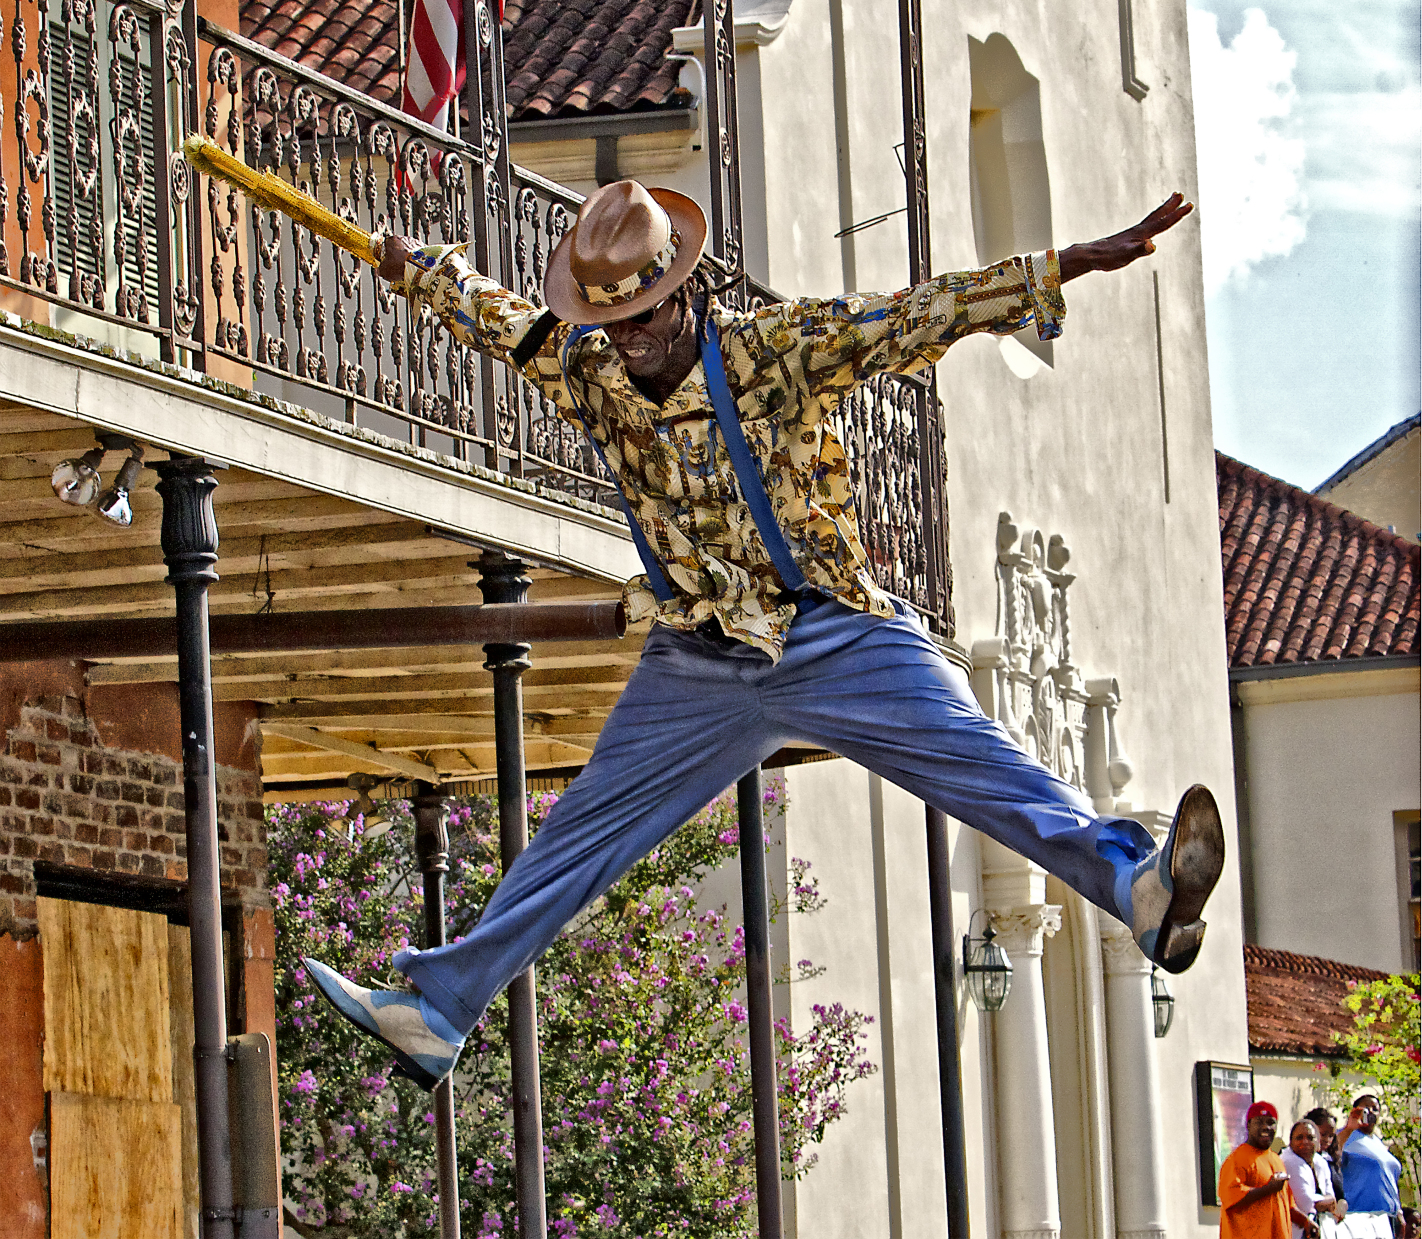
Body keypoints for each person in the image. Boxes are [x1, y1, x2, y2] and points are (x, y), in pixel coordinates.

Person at [303, 179, 1227, 1090]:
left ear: (686, 292)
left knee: (985, 768)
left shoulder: (770, 351)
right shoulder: (585, 367)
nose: (633, 346)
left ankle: (1134, 893)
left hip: (832, 635)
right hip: (698, 662)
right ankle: (439, 1011)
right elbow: (497, 319)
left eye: (649, 321)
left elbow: (907, 317)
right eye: (615, 327)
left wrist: (1051, 270)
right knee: (579, 834)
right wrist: (417, 267)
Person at [1221, 1103, 1301, 1239]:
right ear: (1248, 1125)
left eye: (1271, 1123)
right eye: (1259, 1122)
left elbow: (1288, 1203)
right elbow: (1231, 1197)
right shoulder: (1237, 1159)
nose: (1266, 1127)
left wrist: (1305, 1222)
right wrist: (1268, 1189)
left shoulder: (1276, 1159)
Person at [1336, 1095, 1403, 1229]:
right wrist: (1350, 1127)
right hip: (1361, 1218)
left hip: (1388, 1218)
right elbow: (1331, 1155)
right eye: (1366, 1108)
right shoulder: (1345, 1136)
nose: (1371, 1112)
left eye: (1375, 1109)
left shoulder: (1378, 1143)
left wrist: (1399, 1210)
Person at [1283, 1119, 1340, 1235]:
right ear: (1291, 1142)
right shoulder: (1289, 1161)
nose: (1305, 1142)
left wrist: (1327, 1201)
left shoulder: (1321, 1162)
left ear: (1318, 1143)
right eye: (1299, 1138)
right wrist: (1326, 1201)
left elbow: (1332, 1198)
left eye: (1310, 1138)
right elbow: (1306, 1203)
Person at [1306, 1108, 1346, 1205]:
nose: (1327, 1140)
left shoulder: (1330, 1160)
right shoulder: (1298, 1158)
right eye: (1323, 1134)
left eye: (1331, 1136)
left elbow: (1339, 1193)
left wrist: (1342, 1204)